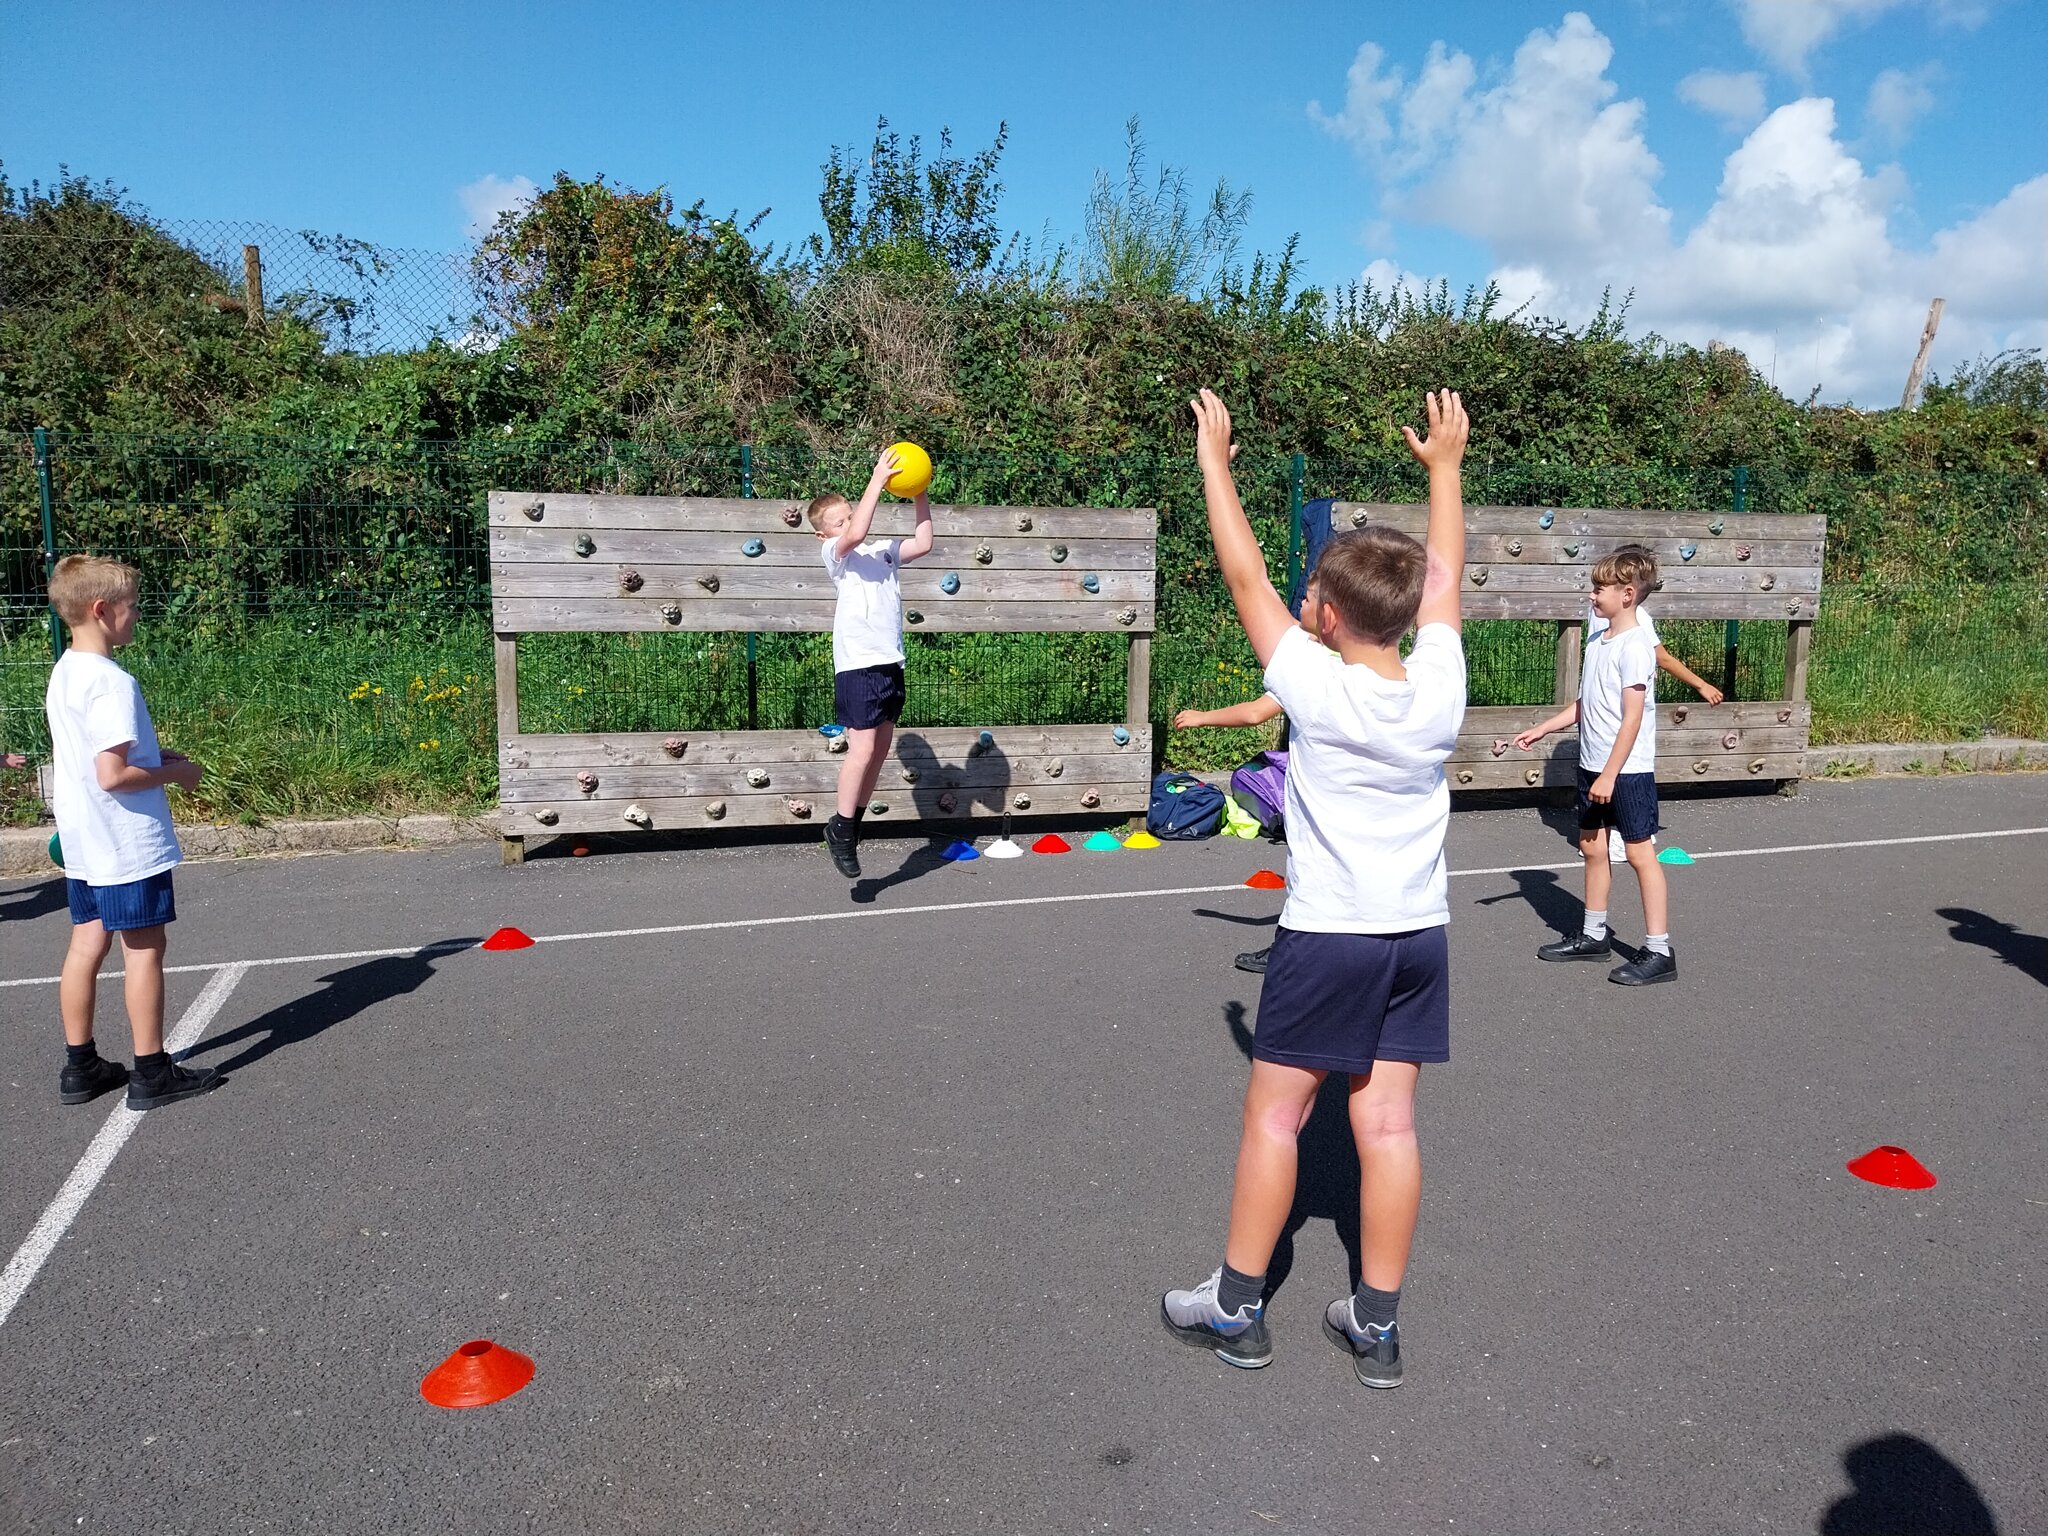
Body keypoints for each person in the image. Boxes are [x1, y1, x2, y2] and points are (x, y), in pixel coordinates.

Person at [1161, 387, 1470, 1389]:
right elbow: (1448, 575)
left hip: (1329, 936)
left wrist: (1214, 461)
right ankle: (1374, 1326)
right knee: (1385, 1126)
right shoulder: (1439, 683)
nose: (1294, 599)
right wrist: (1444, 470)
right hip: (1416, 937)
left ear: (1329, 617)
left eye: (1310, 595)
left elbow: (1238, 570)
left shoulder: (1310, 680)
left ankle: (1234, 1305)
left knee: (1273, 1119)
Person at [43, 555, 221, 1110]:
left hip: (84, 839)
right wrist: (176, 773)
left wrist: (152, 754)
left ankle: (81, 1066)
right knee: (144, 949)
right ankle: (151, 1072)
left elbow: (100, 756)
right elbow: (113, 775)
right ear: (101, 610)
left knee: (85, 943)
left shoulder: (66, 668)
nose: (138, 615)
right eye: (132, 606)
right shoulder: (112, 683)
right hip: (124, 842)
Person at [1515, 546, 1676, 985]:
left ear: (1627, 594)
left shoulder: (1637, 647)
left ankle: (1660, 951)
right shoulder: (1598, 639)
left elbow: (1633, 716)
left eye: (1599, 588)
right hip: (1592, 764)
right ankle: (1593, 935)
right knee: (1591, 847)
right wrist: (1545, 728)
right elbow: (1589, 702)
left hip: (1626, 771)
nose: (1591, 595)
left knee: (1641, 854)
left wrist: (1609, 773)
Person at [808, 447, 935, 879]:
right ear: (825, 535)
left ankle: (851, 823)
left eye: (849, 515)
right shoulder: (836, 556)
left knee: (879, 749)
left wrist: (919, 491)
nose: (848, 522)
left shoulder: (883, 551)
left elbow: (924, 543)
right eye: (838, 521)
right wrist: (878, 479)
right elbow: (856, 534)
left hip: (889, 661)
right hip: (858, 664)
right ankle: (841, 830)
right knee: (861, 747)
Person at [1587, 543, 1723, 862]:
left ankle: (1615, 836)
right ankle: (1626, 836)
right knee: (1628, 785)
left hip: (1607, 728)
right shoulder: (1633, 622)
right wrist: (1701, 684)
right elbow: (1660, 656)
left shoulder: (1601, 616)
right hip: (1625, 733)